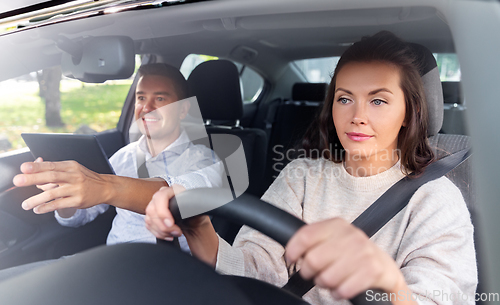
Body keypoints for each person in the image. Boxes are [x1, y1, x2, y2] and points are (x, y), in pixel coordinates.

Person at [144, 32, 477, 305]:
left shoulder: (436, 199)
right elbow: (259, 270)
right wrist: (199, 228)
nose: (357, 115)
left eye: (378, 100)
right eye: (345, 98)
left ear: (408, 112)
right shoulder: (301, 176)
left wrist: (387, 282)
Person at [11, 63, 223, 254]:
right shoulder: (124, 156)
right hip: (112, 261)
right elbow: (78, 219)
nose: (147, 108)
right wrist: (62, 194)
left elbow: (185, 196)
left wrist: (107, 187)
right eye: (141, 98)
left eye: (160, 98)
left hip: (173, 269)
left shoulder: (204, 160)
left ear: (183, 110)